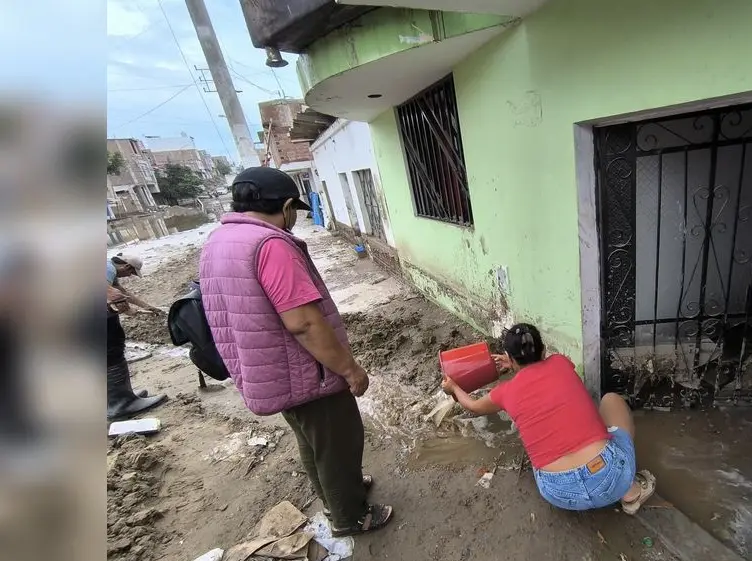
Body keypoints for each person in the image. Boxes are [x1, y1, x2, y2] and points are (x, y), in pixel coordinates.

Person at [199, 166, 392, 535]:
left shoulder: (219, 241)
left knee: (312, 439)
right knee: (339, 442)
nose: (294, 220)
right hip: (306, 371)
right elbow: (303, 321)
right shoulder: (271, 245)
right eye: (295, 212)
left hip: (266, 368)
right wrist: (350, 369)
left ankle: (336, 497)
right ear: (287, 206)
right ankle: (351, 516)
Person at [441, 323, 657, 513]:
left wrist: (454, 387)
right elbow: (543, 371)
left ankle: (602, 494)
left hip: (559, 492)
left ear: (510, 359)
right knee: (611, 400)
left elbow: (473, 406)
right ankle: (630, 493)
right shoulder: (561, 362)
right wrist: (518, 363)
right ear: (543, 350)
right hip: (608, 475)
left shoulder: (504, 392)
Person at [106, 253, 167, 420]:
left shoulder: (107, 270)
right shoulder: (108, 268)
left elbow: (123, 292)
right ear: (126, 267)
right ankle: (121, 403)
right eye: (131, 273)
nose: (129, 277)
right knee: (112, 351)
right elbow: (112, 293)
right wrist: (126, 309)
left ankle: (118, 397)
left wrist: (148, 307)